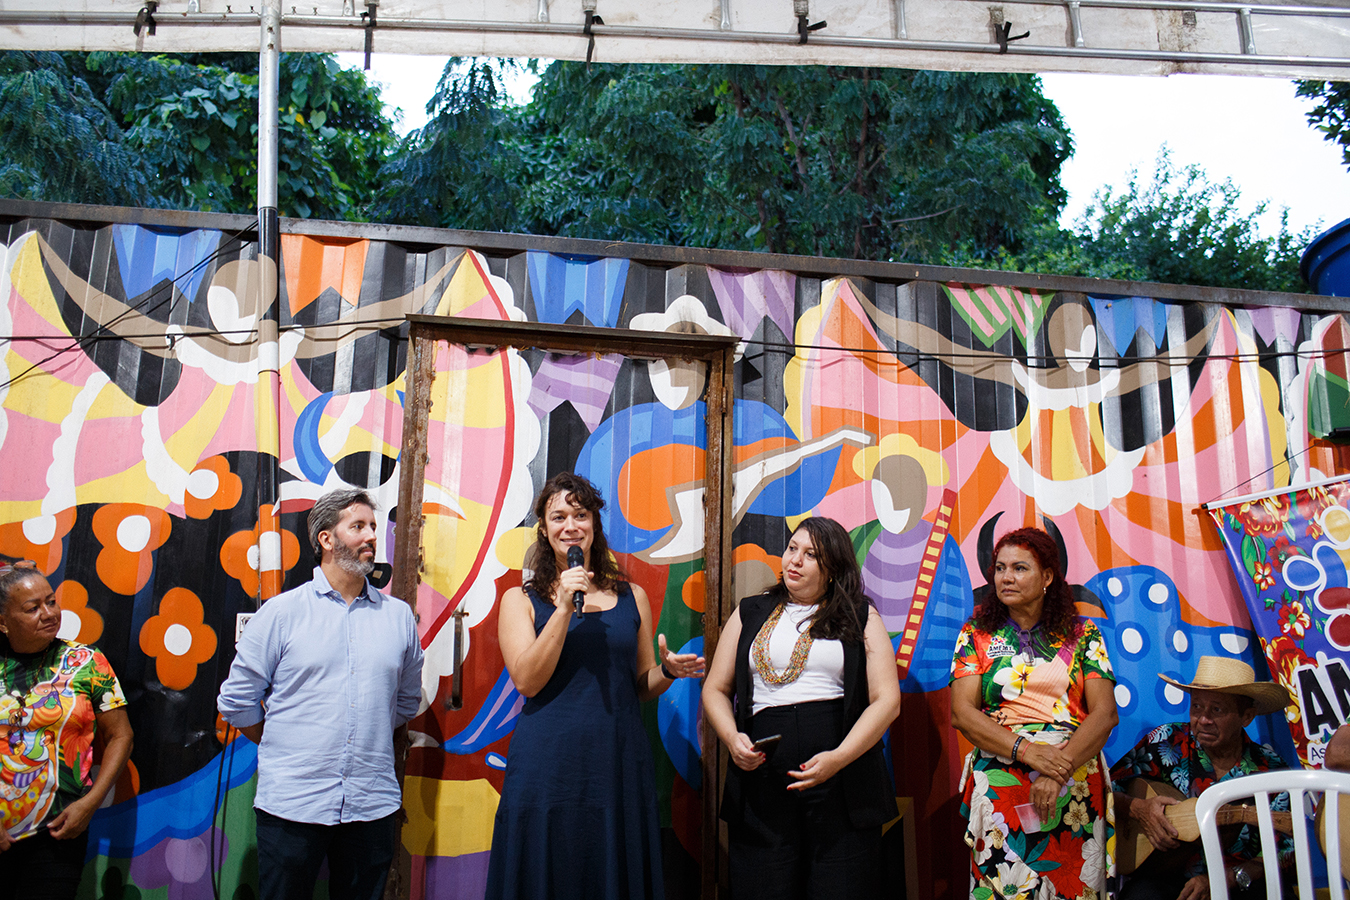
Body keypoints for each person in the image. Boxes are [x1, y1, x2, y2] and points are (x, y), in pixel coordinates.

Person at [485, 472, 705, 900]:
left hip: (616, 761)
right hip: (548, 764)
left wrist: (667, 672)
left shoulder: (632, 596)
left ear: (594, 525)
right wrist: (563, 609)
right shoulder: (520, 600)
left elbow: (641, 684)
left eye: (581, 515)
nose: (570, 526)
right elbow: (527, 680)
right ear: (544, 529)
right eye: (558, 517)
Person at [217, 489, 424, 900]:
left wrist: (365, 732)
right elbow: (236, 701)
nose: (371, 536)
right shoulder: (281, 614)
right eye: (358, 526)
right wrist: (281, 742)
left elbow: (406, 701)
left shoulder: (398, 617)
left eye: (372, 526)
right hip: (293, 804)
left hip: (371, 804)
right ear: (326, 539)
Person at [703, 516, 901, 900]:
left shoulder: (860, 614)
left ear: (833, 569)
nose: (795, 560)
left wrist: (838, 759)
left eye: (811, 555)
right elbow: (715, 689)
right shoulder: (750, 611)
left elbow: (887, 701)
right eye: (793, 548)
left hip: (843, 785)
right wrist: (732, 739)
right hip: (763, 783)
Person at [950, 526, 1119, 900]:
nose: (1006, 577)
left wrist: (1058, 769)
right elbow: (962, 713)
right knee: (1005, 888)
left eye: (1020, 568)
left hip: (1073, 770)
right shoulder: (976, 633)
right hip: (1001, 774)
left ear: (1047, 577)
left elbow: (1105, 714)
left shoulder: (1082, 632)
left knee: (1073, 886)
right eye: (1000, 568)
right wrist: (1027, 751)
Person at [0, 560, 134, 900]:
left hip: (57, 834)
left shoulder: (86, 662)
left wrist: (89, 804)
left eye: (51, 602)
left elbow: (121, 736)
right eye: (32, 608)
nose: (48, 613)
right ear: (3, 622)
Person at [1111, 656, 1294, 900]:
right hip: (1165, 874)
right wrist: (1138, 808)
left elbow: (1286, 850)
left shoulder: (1272, 770)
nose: (1203, 719)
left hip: (1239, 882)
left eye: (1217, 710)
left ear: (1247, 716)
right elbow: (1104, 793)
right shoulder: (1166, 740)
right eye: (1196, 707)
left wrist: (1229, 878)